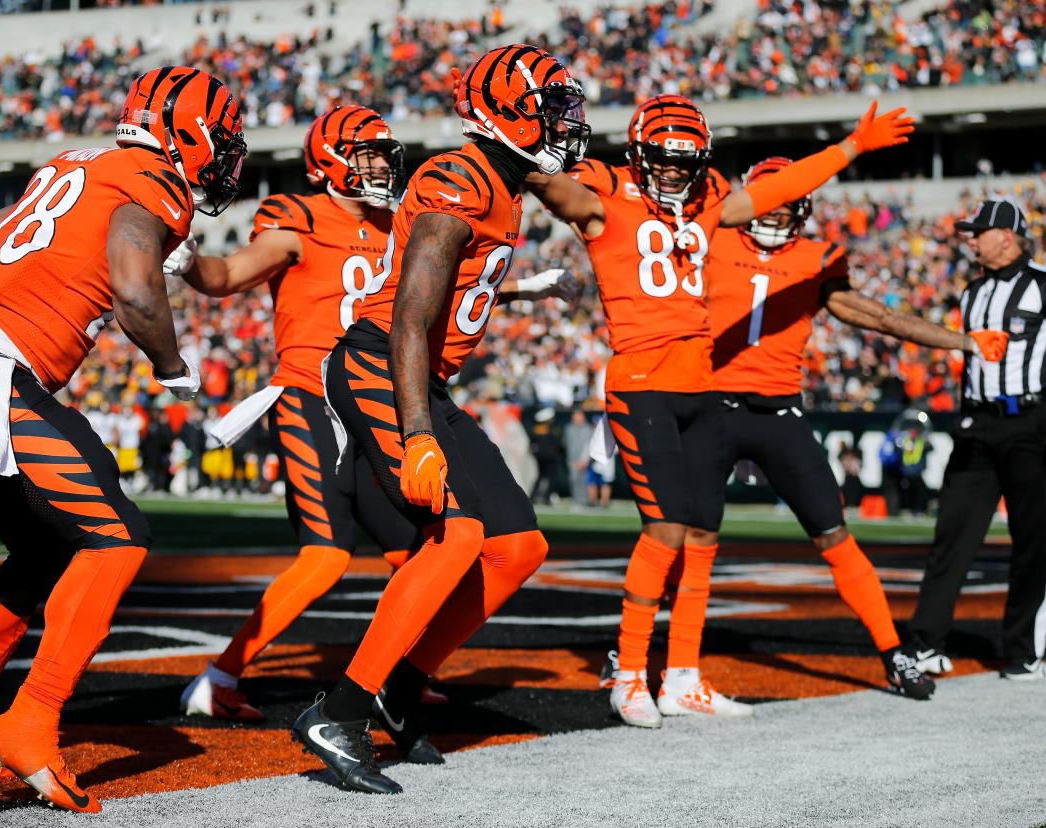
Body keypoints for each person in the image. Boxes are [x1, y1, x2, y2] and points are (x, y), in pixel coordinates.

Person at [0, 66, 247, 812]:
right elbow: (137, 288)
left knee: (43, 549)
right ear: (186, 131)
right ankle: (31, 717)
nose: (225, 157)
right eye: (221, 140)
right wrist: (172, 367)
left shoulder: (68, 169)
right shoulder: (151, 180)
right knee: (118, 538)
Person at [530, 95, 915, 727]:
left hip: (701, 388)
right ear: (638, 154)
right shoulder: (606, 190)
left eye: (688, 162)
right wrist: (525, 152)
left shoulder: (710, 203)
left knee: (700, 532)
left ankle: (682, 676)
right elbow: (553, 188)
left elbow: (775, 191)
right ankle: (628, 673)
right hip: (643, 381)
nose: (677, 172)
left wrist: (851, 147)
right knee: (664, 531)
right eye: (664, 159)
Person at [291, 44, 589, 794]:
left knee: (518, 546)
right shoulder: (460, 177)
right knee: (457, 535)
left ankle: (400, 683)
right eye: (549, 111)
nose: (564, 125)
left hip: (426, 374)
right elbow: (409, 314)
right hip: (380, 365)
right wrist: (418, 430)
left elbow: (450, 293)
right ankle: (342, 710)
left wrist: (521, 296)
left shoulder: (503, 183)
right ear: (505, 116)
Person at [700, 156, 1009, 701]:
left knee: (835, 535)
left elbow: (882, 318)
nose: (773, 212)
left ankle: (893, 653)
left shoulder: (818, 258)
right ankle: (639, 657)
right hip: (709, 407)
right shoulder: (707, 241)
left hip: (778, 413)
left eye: (783, 200)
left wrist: (964, 342)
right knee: (680, 538)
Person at [169, 105, 425, 726]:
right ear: (331, 160)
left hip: (374, 405)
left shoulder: (399, 225)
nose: (380, 166)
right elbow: (226, 274)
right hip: (311, 398)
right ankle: (219, 676)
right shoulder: (299, 219)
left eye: (382, 154)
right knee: (326, 557)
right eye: (366, 154)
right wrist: (187, 261)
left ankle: (399, 680)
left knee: (418, 554)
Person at [909, 198, 1046, 682]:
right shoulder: (971, 294)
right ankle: (926, 643)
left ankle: (1024, 647)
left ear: (1006, 236)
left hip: (1031, 421)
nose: (970, 239)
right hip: (977, 424)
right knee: (952, 534)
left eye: (978, 232)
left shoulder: (1041, 287)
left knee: (1033, 539)